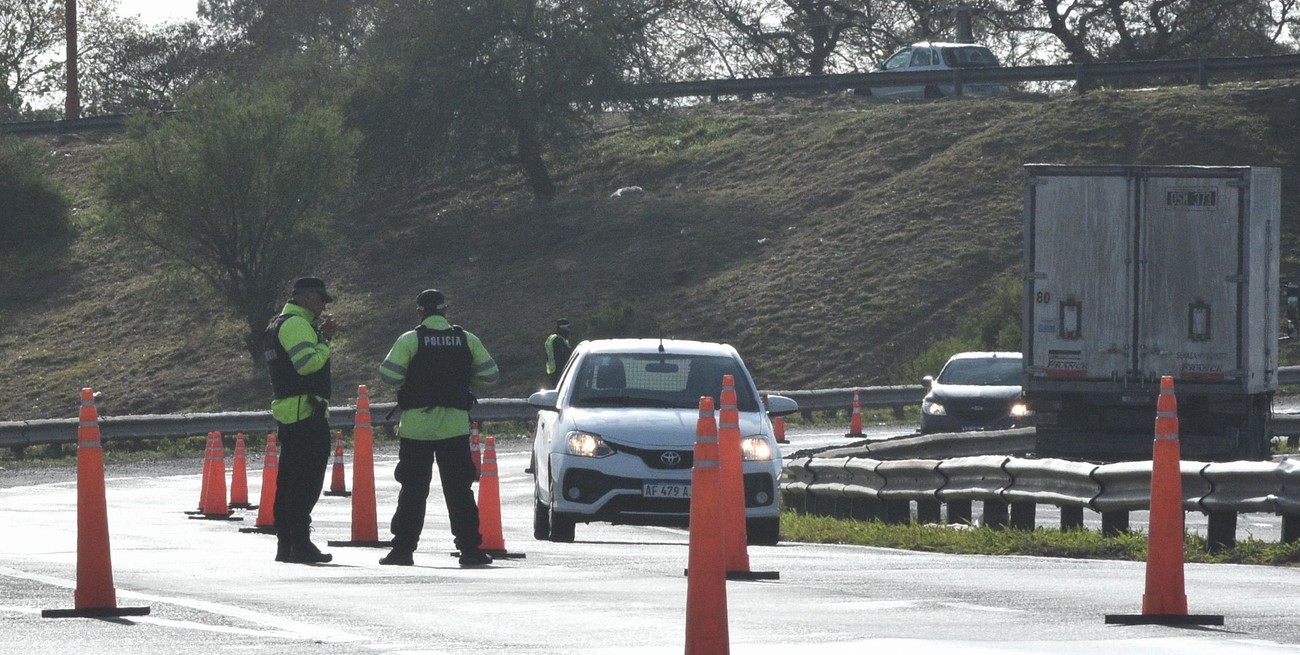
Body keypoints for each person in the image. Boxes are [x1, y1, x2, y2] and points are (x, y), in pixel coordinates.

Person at [378, 289, 500, 567]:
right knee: (459, 492)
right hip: (454, 428)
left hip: (416, 429)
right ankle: (470, 550)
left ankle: (403, 550)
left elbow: (388, 375)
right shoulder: (466, 339)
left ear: (420, 313)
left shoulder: (410, 339)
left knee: (412, 491)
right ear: (445, 311)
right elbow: (490, 375)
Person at [263, 276, 337, 564]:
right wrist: (324, 343)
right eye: (320, 298)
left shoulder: (278, 324)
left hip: (291, 413)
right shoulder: (296, 325)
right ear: (305, 296)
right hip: (306, 414)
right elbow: (306, 365)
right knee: (306, 483)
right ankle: (300, 544)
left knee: (289, 483)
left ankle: (287, 544)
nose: (323, 305)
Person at [543, 318, 573, 388]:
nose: (569, 331)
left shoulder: (555, 339)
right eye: (568, 328)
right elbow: (560, 359)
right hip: (560, 374)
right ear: (562, 329)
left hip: (554, 373)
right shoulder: (558, 341)